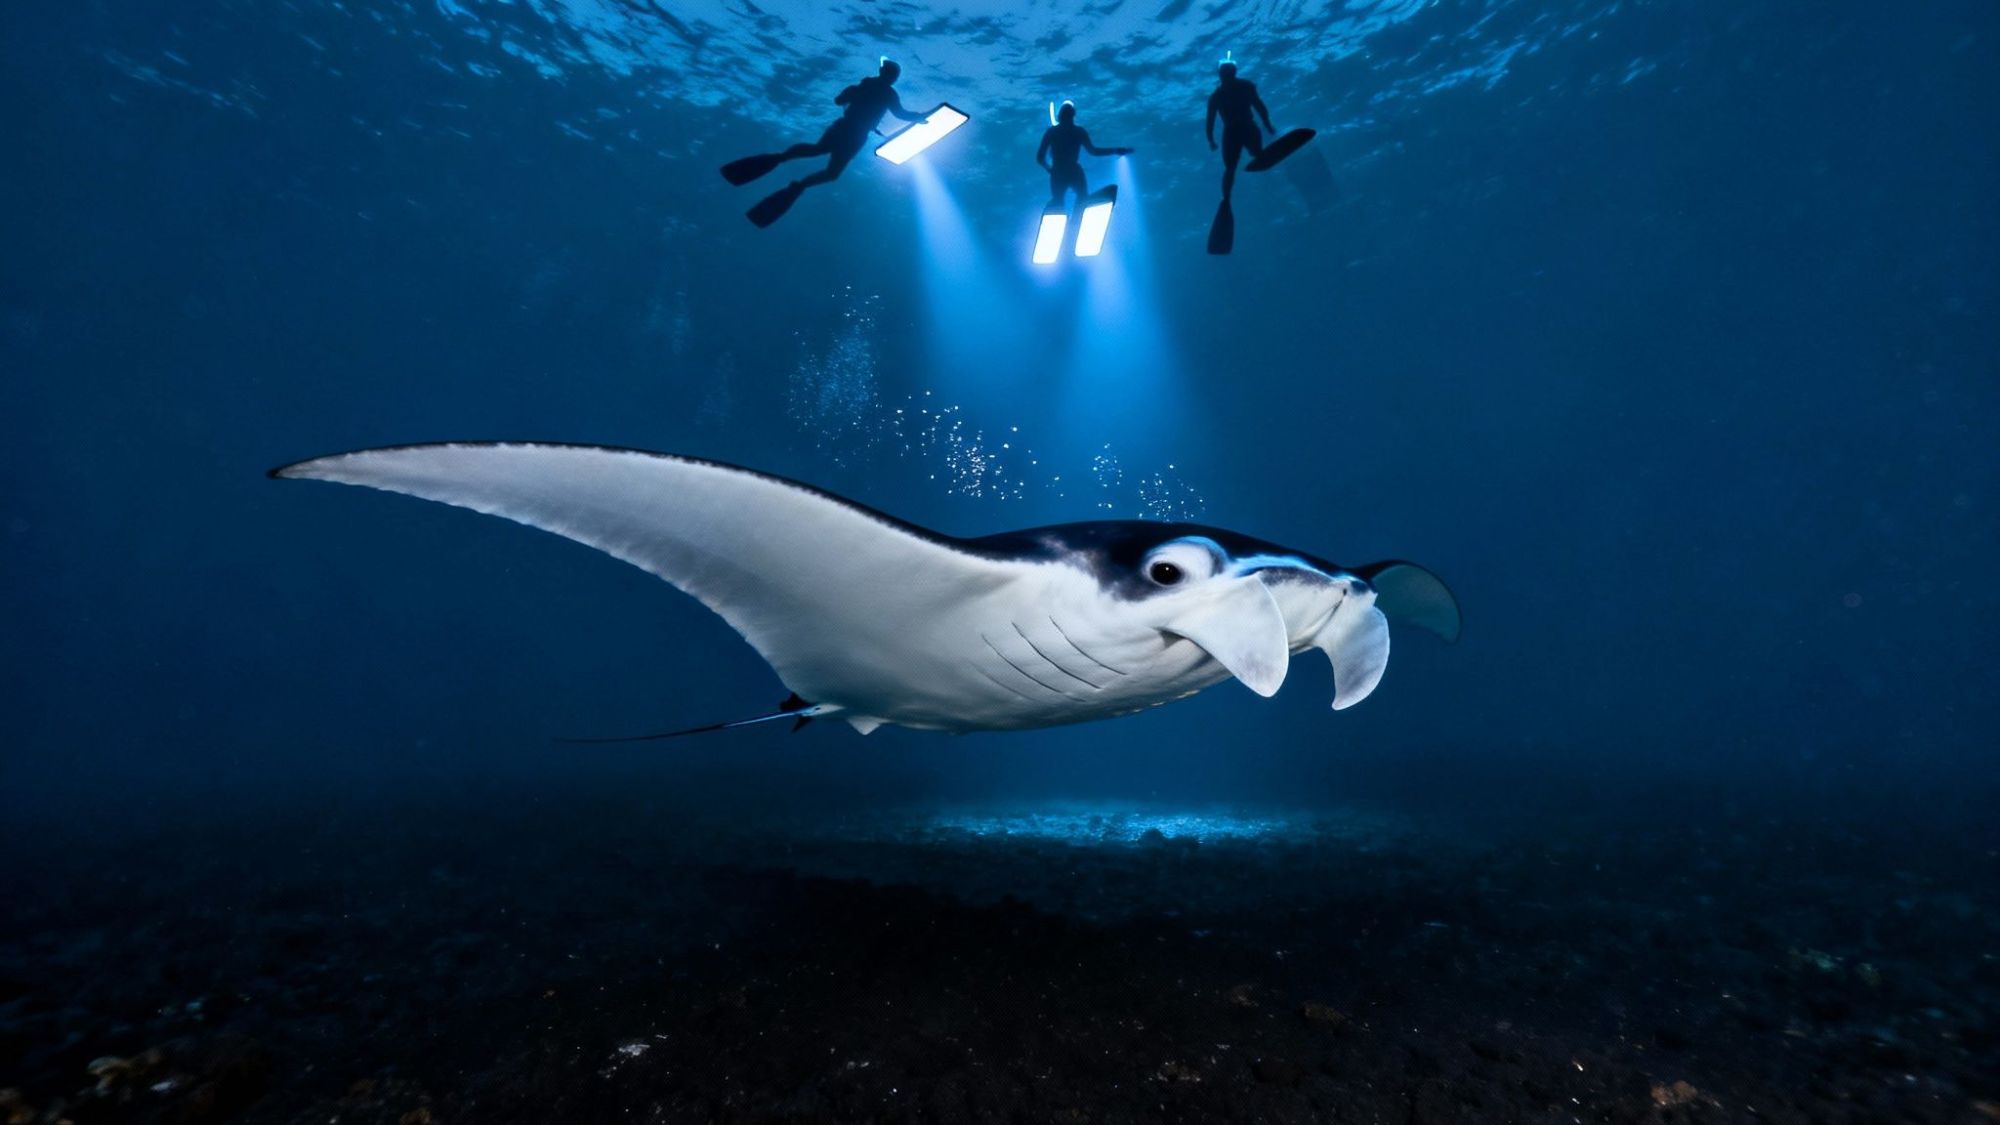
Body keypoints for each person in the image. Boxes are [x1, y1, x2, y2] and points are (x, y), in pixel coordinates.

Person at [721, 59, 929, 227]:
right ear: (890, 75)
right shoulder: (884, 92)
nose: (892, 78)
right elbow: (900, 114)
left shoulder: (870, 87)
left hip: (851, 130)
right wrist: (918, 118)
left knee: (821, 157)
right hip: (854, 132)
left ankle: (785, 163)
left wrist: (850, 95)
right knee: (828, 167)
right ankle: (795, 179)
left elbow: (839, 101)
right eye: (893, 75)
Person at [1035, 101, 1132, 209]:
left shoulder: (1053, 132)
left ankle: (1068, 210)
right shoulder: (1077, 131)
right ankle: (1076, 212)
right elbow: (1093, 151)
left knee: (1061, 201)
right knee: (1080, 198)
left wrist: (1050, 169)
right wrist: (1116, 150)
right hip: (1070, 170)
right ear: (1073, 115)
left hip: (1059, 171)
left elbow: (1040, 157)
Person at [1205, 60, 1275, 201]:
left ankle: (1228, 195)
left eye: (1228, 73)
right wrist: (1210, 139)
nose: (1227, 76)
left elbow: (1259, 106)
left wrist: (1267, 124)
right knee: (1231, 167)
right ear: (1221, 75)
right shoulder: (1218, 96)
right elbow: (1210, 120)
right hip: (1235, 131)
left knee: (1246, 159)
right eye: (1225, 73)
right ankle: (1226, 197)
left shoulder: (1245, 87)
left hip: (1244, 128)